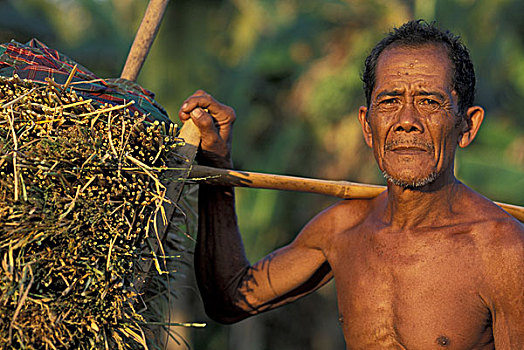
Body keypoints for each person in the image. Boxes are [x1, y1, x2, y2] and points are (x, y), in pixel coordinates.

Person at [178, 20, 524, 349]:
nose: (407, 121)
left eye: (429, 102)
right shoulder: (343, 229)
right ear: (367, 125)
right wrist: (216, 164)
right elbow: (230, 298)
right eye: (389, 101)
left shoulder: (502, 252)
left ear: (467, 125)